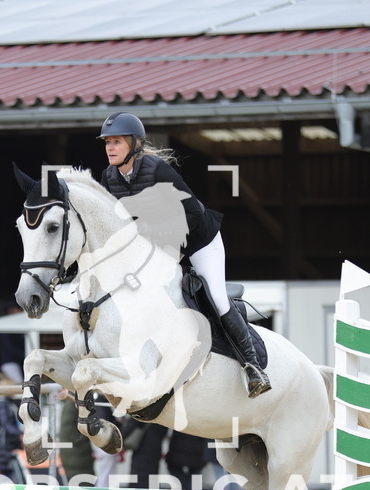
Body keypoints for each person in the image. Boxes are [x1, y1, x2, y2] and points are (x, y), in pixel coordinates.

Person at [96, 111, 270, 399]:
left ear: (134, 144)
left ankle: (253, 366)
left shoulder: (156, 170)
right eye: (107, 142)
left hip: (199, 239)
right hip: (162, 244)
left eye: (117, 142)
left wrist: (160, 240)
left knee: (216, 297)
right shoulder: (109, 177)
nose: (110, 148)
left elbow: (192, 213)